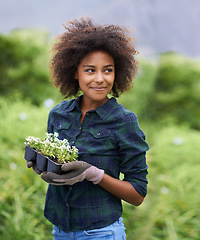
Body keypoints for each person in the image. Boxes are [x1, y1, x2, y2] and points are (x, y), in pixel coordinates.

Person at [27, 18, 149, 240]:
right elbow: (58, 166)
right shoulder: (58, 114)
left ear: (117, 72)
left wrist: (94, 174)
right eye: (90, 70)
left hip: (101, 233)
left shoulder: (125, 121)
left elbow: (138, 194)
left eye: (108, 70)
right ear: (75, 72)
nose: (100, 79)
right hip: (60, 231)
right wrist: (42, 164)